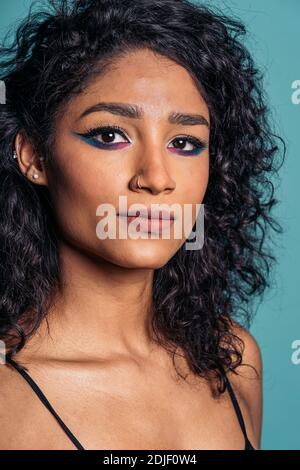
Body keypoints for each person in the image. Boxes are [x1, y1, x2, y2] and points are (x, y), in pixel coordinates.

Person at [0, 0, 284, 450]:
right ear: (34, 156)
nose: (155, 178)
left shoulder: (233, 359)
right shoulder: (5, 394)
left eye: (185, 142)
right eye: (110, 135)